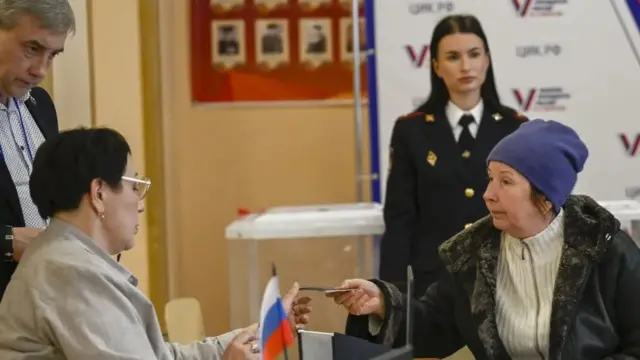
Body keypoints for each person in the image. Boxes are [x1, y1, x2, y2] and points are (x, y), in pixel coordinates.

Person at [331, 119, 640, 359]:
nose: (488, 194)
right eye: (490, 178)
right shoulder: (474, 255)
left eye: (506, 182)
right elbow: (434, 326)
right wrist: (383, 304)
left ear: (546, 196)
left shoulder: (606, 251)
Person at [0, 127, 312, 359]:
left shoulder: (67, 260)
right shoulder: (69, 273)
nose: (140, 204)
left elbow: (160, 355)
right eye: (134, 186)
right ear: (98, 194)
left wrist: (267, 330)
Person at [379, 14, 528, 296]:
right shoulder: (412, 130)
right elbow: (399, 220)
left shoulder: (516, 127)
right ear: (436, 66)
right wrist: (392, 296)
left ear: (487, 60)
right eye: (452, 57)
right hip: (433, 284)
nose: (465, 66)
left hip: (505, 279)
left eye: (474, 54)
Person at [0, 0, 74, 299]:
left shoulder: (40, 105)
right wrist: (7, 241)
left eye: (52, 55)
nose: (40, 70)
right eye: (31, 49)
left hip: (41, 299)